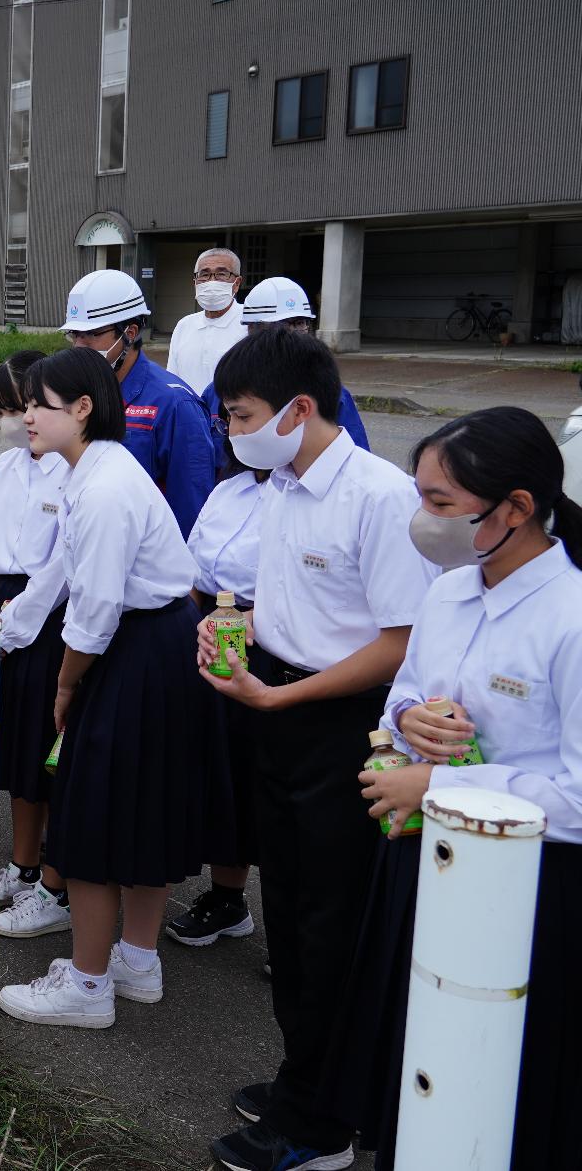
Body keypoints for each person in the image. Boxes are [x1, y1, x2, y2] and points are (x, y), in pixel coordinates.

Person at [312, 408, 582, 1171]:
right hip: (422, 862)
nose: (422, 520)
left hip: (528, 892)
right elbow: (402, 689)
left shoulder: (570, 617)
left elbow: (579, 797)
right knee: (422, 1065)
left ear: (518, 508)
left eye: (440, 503)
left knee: (499, 1086)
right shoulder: (451, 590)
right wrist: (411, 720)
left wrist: (443, 781)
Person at [196, 323, 438, 1171]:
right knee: (291, 915)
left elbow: (400, 639)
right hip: (281, 706)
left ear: (299, 409)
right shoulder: (281, 484)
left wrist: (282, 693)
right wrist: (237, 627)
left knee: (333, 920)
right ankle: (306, 1075)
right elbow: (291, 604)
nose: (232, 430)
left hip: (348, 725)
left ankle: (323, 1122)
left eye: (242, 413)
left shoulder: (379, 495)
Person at [0, 348, 213, 1030]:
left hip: (134, 651)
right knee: (144, 807)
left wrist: (64, 685)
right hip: (157, 646)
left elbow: (92, 611)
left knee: (89, 812)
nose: (27, 415)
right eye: (26, 402)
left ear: (83, 408)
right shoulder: (101, 471)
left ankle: (89, 982)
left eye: (41, 403)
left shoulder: (101, 487)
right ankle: (136, 960)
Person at [0, 351, 74, 939]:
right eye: (3, 410)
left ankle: (54, 880)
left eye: (22, 407)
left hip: (46, 621)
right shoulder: (8, 467)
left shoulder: (73, 471)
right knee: (12, 756)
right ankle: (22, 865)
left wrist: (16, 626)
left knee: (45, 755)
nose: (14, 421)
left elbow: (60, 567)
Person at [163, 442, 272, 950]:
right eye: (230, 418)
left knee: (257, 777)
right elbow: (193, 567)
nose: (234, 430)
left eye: (246, 415)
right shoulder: (229, 489)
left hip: (267, 643)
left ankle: (286, 928)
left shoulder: (310, 498)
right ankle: (228, 898)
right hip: (210, 630)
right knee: (218, 772)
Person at [62, 269, 215, 537]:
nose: (79, 346)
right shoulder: (78, 393)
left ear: (130, 332)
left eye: (92, 334)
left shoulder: (175, 404)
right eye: (75, 335)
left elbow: (191, 509)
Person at [198, 277, 370, 462]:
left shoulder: (330, 393)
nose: (293, 333)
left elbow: (355, 460)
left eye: (299, 323)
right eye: (283, 325)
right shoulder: (220, 389)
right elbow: (199, 458)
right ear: (252, 329)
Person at [166, 248, 248, 394]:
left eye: (221, 274)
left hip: (232, 415)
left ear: (237, 283)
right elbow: (173, 381)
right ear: (195, 282)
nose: (211, 281)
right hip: (189, 414)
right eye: (204, 274)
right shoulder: (184, 326)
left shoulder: (250, 323)